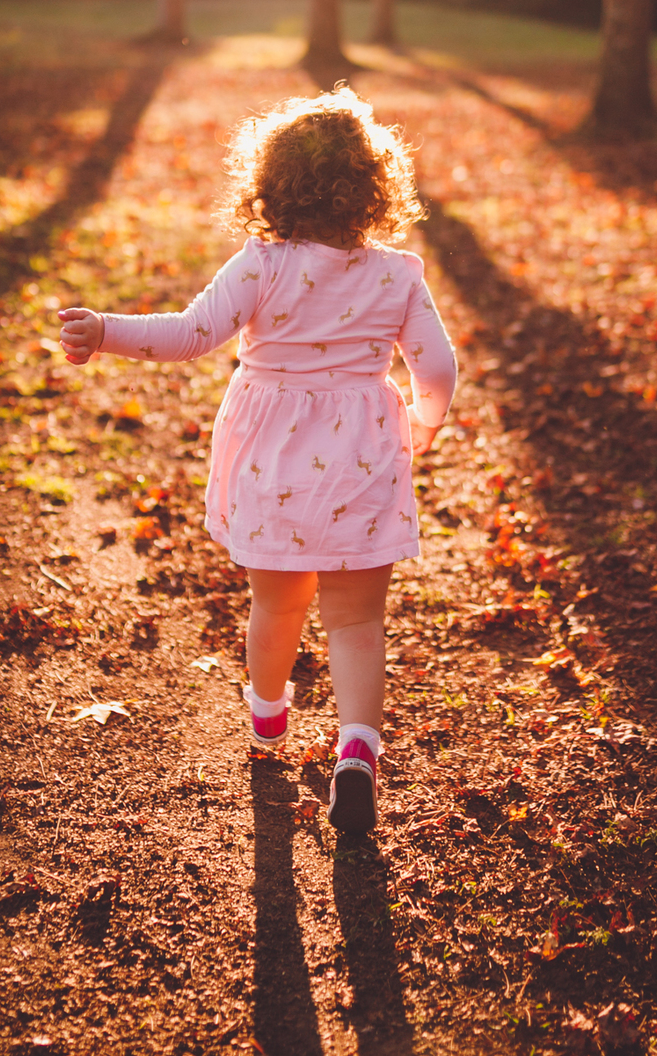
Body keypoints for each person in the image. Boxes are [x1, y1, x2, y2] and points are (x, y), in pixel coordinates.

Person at [58, 86, 457, 833]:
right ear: (375, 186)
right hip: (364, 453)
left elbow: (189, 332)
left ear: (270, 186)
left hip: (274, 456)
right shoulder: (399, 274)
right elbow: (436, 369)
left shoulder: (262, 265)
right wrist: (425, 422)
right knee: (357, 620)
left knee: (277, 602)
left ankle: (268, 721)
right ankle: (357, 755)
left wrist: (104, 330)